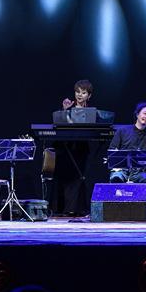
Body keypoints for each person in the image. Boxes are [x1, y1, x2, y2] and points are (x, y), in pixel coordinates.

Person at [54, 79, 94, 215]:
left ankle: (80, 209)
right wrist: (65, 111)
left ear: (89, 96)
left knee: (80, 178)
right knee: (65, 179)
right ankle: (65, 209)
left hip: (81, 149)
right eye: (77, 92)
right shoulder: (68, 109)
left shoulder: (91, 112)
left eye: (83, 92)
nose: (79, 95)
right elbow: (60, 127)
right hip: (66, 149)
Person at [108, 102, 146, 183]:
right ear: (137, 114)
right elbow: (112, 150)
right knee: (116, 178)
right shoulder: (122, 131)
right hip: (121, 170)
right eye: (145, 113)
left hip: (139, 172)